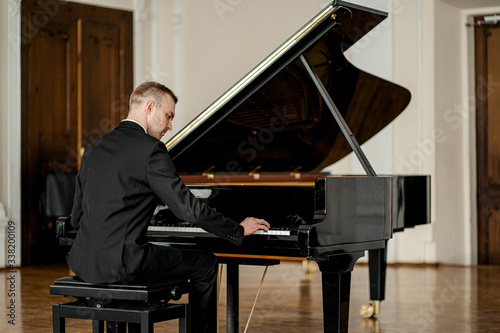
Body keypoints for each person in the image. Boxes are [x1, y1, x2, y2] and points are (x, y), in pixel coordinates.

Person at [67, 81, 270, 332]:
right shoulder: (150, 150)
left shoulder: (94, 148)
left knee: (155, 252)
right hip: (123, 264)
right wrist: (237, 229)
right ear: (149, 107)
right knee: (205, 263)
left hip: (82, 261)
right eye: (168, 116)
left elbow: (76, 217)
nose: (170, 126)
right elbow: (187, 209)